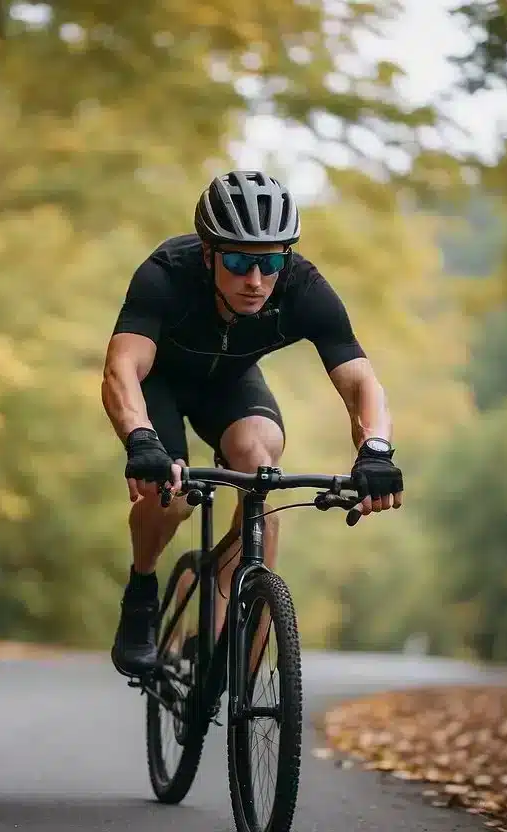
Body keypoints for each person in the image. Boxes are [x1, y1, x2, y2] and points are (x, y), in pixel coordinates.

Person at [100, 169, 405, 678]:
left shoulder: (303, 286)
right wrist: (140, 436)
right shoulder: (165, 274)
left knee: (260, 465)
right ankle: (143, 590)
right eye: (239, 262)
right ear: (207, 253)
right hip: (160, 382)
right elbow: (122, 367)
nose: (256, 280)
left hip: (231, 387)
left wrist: (376, 448)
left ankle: (226, 616)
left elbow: (361, 383)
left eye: (269, 262)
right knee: (168, 496)